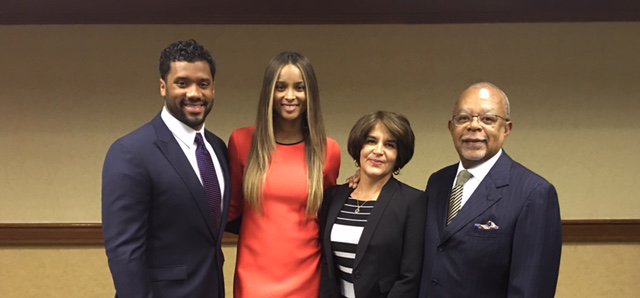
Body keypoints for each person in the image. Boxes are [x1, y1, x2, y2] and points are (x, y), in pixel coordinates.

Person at [102, 39, 230, 298]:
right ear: (163, 87)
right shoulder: (131, 152)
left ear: (213, 89)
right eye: (182, 83)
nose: (194, 93)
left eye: (203, 84)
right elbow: (124, 253)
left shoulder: (217, 148)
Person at [418, 82, 562, 297]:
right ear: (451, 127)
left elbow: (531, 289)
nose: (473, 126)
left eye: (488, 119)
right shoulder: (438, 182)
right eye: (463, 118)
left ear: (506, 129)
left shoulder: (534, 193)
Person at [226, 51, 341, 297]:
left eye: (299, 87)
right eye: (281, 87)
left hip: (307, 278)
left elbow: (327, 215)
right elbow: (232, 211)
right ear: (269, 92)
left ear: (310, 94)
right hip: (253, 280)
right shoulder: (241, 141)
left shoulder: (328, 150)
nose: (290, 96)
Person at [319, 111, 427, 298]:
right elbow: (326, 263)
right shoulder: (334, 196)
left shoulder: (412, 202)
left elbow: (410, 276)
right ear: (359, 146)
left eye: (389, 145)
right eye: (371, 141)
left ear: (399, 154)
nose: (378, 151)